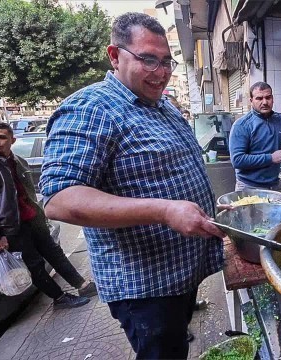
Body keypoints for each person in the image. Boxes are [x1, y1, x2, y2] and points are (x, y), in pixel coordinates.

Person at [39, 13, 225, 359]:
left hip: (181, 275)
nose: (162, 71)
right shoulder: (91, 107)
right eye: (148, 60)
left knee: (175, 347)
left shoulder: (164, 106)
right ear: (115, 55)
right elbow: (59, 198)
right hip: (145, 287)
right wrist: (165, 210)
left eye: (167, 61)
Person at [0, 122, 96, 310]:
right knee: (34, 263)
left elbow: (27, 192)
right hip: (11, 227)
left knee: (54, 252)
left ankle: (82, 285)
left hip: (33, 218)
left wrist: (41, 216)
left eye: (1, 137)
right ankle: (59, 298)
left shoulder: (16, 161)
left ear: (12, 140)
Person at [229, 82, 281, 191]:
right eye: (259, 98)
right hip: (249, 187)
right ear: (251, 101)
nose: (265, 102)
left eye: (268, 97)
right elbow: (237, 160)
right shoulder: (242, 125)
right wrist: (270, 158)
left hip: (275, 185)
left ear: (272, 98)